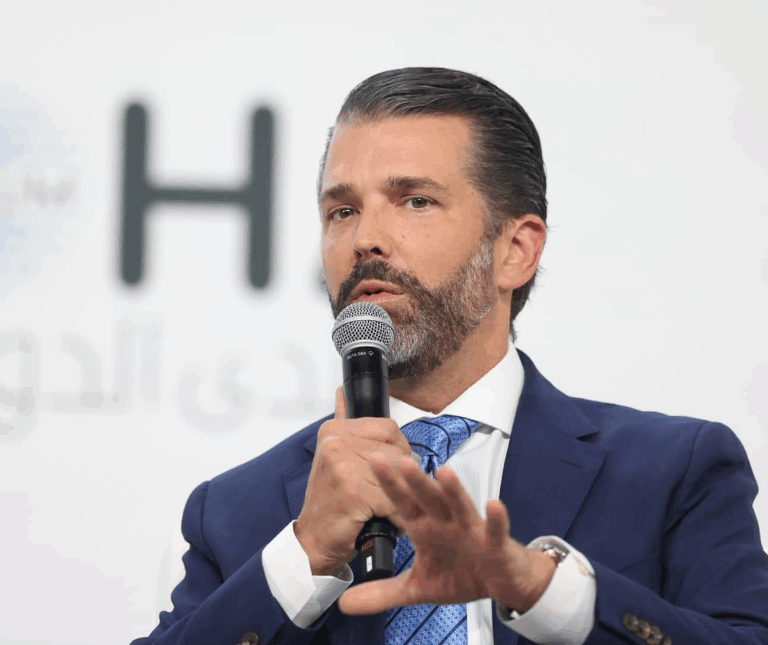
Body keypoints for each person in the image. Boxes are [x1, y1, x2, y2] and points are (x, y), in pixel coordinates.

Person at [132, 68, 768, 645]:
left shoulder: (671, 472)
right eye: (342, 210)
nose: (365, 239)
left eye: (415, 200)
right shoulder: (236, 509)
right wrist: (302, 559)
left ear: (515, 251)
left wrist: (541, 590)